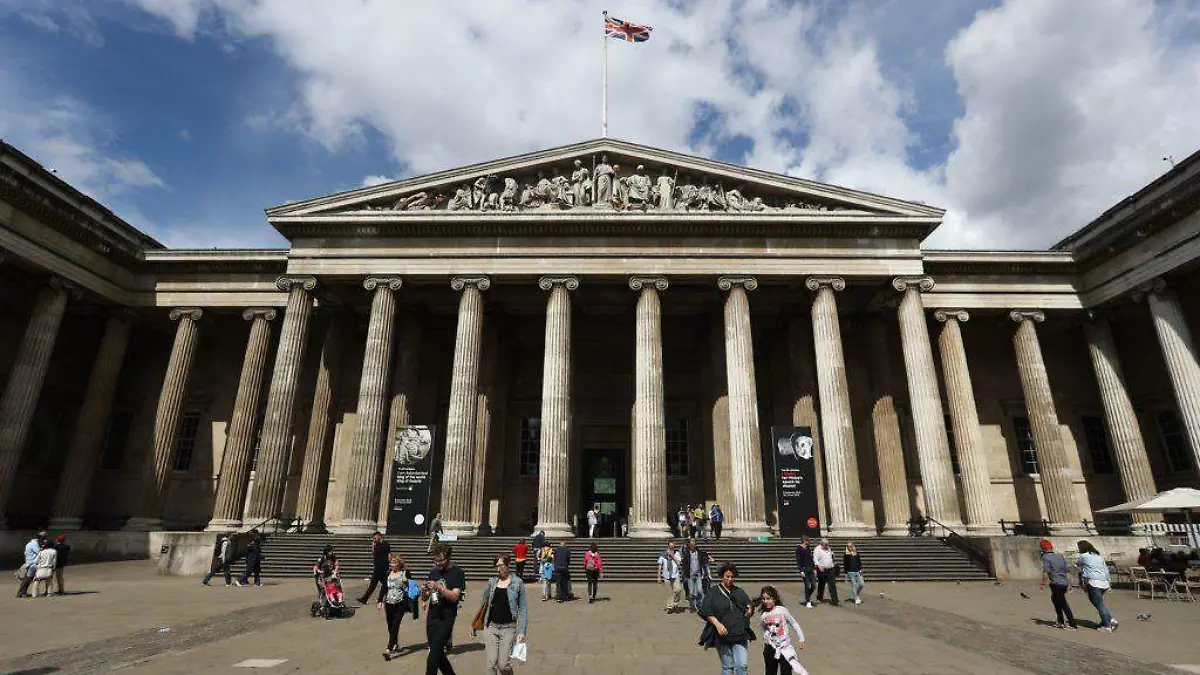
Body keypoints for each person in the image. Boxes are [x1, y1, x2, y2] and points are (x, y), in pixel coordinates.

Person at [475, 555, 528, 675]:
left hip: (508, 629)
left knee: (503, 665)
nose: (498, 569)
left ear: (508, 565)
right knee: (491, 664)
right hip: (491, 627)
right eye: (497, 566)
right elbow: (484, 604)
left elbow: (523, 608)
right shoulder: (492, 582)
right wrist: (479, 623)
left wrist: (522, 631)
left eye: (501, 565)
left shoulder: (517, 583)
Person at [699, 563, 754, 675]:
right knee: (728, 666)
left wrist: (750, 610)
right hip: (722, 635)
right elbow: (705, 610)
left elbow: (749, 605)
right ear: (722, 576)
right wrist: (717, 624)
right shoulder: (713, 592)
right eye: (727, 576)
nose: (730, 579)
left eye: (732, 577)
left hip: (739, 633)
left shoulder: (739, 591)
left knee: (742, 665)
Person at [422, 545, 465, 675]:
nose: (438, 563)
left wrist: (440, 588)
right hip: (432, 616)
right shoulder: (434, 572)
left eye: (441, 561)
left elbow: (455, 596)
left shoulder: (457, 572)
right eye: (436, 560)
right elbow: (426, 597)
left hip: (446, 618)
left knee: (432, 659)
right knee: (439, 655)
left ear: (449, 557)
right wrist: (424, 593)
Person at [759, 586, 808, 675]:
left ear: (774, 598)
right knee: (770, 672)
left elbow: (794, 623)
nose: (766, 601)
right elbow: (763, 628)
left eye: (768, 598)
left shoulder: (782, 610)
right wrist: (767, 639)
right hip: (770, 648)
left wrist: (801, 638)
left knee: (786, 671)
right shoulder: (764, 615)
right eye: (764, 599)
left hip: (785, 648)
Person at [1076, 540, 1118, 632]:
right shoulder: (1099, 557)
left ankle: (1108, 625)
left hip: (1093, 582)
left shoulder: (1083, 556)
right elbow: (1106, 570)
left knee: (1098, 604)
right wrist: (1109, 581)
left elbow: (1077, 564)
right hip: (1104, 581)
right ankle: (1107, 620)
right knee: (1098, 602)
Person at [377, 552, 411, 659]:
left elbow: (411, 586)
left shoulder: (404, 573)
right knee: (390, 625)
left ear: (399, 564)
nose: (392, 565)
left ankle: (388, 648)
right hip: (389, 602)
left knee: (395, 624)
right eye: (391, 563)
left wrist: (407, 583)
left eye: (394, 562)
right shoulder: (388, 573)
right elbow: (384, 588)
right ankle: (395, 643)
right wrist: (380, 601)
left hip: (400, 603)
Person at [1038, 539, 1078, 630]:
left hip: (1056, 583)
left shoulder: (1046, 557)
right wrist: (1069, 584)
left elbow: (1046, 572)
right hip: (1063, 582)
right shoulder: (1060, 556)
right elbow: (1066, 571)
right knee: (1055, 600)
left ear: (1043, 548)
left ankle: (1072, 624)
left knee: (1062, 603)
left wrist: (1043, 583)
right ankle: (1060, 621)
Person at [358, 532, 392, 604]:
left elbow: (389, 555)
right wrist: (373, 546)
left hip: (384, 568)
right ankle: (365, 599)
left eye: (375, 538)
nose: (374, 539)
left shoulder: (386, 544)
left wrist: (390, 565)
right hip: (377, 568)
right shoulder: (376, 545)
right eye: (373, 538)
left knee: (380, 584)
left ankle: (376, 599)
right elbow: (373, 553)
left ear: (379, 536)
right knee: (379, 584)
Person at [681, 538, 711, 613]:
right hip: (690, 575)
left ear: (695, 545)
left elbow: (704, 559)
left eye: (693, 544)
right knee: (691, 592)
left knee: (700, 590)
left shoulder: (699, 553)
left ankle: (698, 604)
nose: (692, 546)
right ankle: (692, 607)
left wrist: (708, 559)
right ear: (689, 545)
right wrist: (684, 576)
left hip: (698, 574)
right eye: (691, 544)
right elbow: (684, 565)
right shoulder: (686, 554)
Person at [658, 540, 685, 613]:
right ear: (668, 546)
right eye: (670, 547)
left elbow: (679, 563)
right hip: (666, 575)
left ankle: (675, 604)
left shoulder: (677, 554)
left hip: (675, 575)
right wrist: (659, 576)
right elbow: (660, 565)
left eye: (673, 547)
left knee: (678, 590)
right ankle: (670, 607)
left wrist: (673, 556)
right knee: (670, 592)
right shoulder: (663, 554)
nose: (671, 548)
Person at [812, 539, 838, 606]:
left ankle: (835, 600)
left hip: (830, 569)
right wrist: (818, 566)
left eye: (828, 544)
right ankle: (819, 598)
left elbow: (830, 557)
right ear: (822, 544)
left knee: (832, 584)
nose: (827, 546)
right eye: (826, 544)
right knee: (821, 584)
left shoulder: (828, 548)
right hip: (822, 569)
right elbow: (815, 559)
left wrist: (833, 559)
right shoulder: (817, 549)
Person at [16, 533, 42, 598]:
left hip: (29, 563)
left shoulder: (28, 544)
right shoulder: (35, 544)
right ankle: (22, 593)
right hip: (33, 564)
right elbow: (39, 553)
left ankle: (22, 593)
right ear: (38, 538)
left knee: (27, 579)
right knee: (27, 579)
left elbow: (25, 553)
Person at [794, 537, 815, 608]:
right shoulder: (799, 549)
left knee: (814, 585)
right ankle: (808, 601)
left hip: (811, 568)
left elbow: (811, 558)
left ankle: (807, 597)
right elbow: (798, 560)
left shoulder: (808, 548)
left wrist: (814, 568)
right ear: (804, 541)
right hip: (804, 569)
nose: (809, 542)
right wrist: (801, 570)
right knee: (807, 585)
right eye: (808, 540)